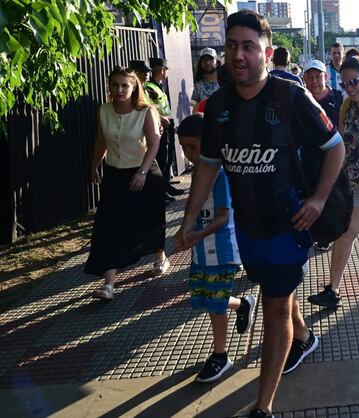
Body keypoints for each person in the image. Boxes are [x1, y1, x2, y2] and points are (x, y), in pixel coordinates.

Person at [178, 9, 345, 418]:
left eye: (249, 47)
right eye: (231, 46)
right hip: (246, 230)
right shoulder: (217, 107)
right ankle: (303, 337)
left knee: (274, 309)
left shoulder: (291, 97)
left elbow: (335, 148)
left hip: (289, 226)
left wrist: (319, 200)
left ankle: (263, 406)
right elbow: (208, 165)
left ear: (266, 53)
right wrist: (188, 219)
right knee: (277, 293)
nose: (238, 55)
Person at [173, 113, 256, 383]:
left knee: (215, 303)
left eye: (193, 147)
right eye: (183, 147)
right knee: (207, 297)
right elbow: (193, 208)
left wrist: (196, 233)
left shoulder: (220, 173)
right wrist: (184, 230)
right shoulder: (197, 171)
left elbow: (222, 216)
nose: (188, 153)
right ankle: (244, 304)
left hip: (222, 249)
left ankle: (220, 355)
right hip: (200, 250)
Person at [308, 55, 359, 309]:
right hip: (356, 184)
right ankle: (332, 290)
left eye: (354, 82)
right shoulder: (347, 106)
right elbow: (342, 139)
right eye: (345, 84)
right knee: (345, 234)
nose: (350, 88)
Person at [85, 66, 169, 300]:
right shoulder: (103, 110)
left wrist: (142, 172)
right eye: (115, 85)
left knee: (149, 218)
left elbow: (154, 143)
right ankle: (109, 284)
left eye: (125, 85)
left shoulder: (146, 111)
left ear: (134, 87)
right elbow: (101, 141)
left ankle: (160, 256)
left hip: (144, 171)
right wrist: (94, 165)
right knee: (109, 225)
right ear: (109, 87)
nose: (120, 90)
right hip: (114, 174)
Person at [302, 59, 345, 253]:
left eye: (318, 77)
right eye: (309, 77)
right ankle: (313, 232)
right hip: (308, 158)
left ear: (325, 77)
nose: (314, 81)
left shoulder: (337, 97)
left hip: (334, 158)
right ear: (304, 79)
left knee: (330, 197)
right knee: (310, 194)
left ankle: (326, 235)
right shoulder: (301, 100)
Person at [147, 57, 182, 202]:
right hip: (158, 127)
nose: (166, 72)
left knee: (167, 160)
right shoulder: (149, 87)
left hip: (167, 126)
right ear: (161, 70)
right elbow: (149, 106)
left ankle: (166, 187)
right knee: (161, 160)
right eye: (165, 70)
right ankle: (160, 193)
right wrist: (162, 118)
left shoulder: (159, 86)